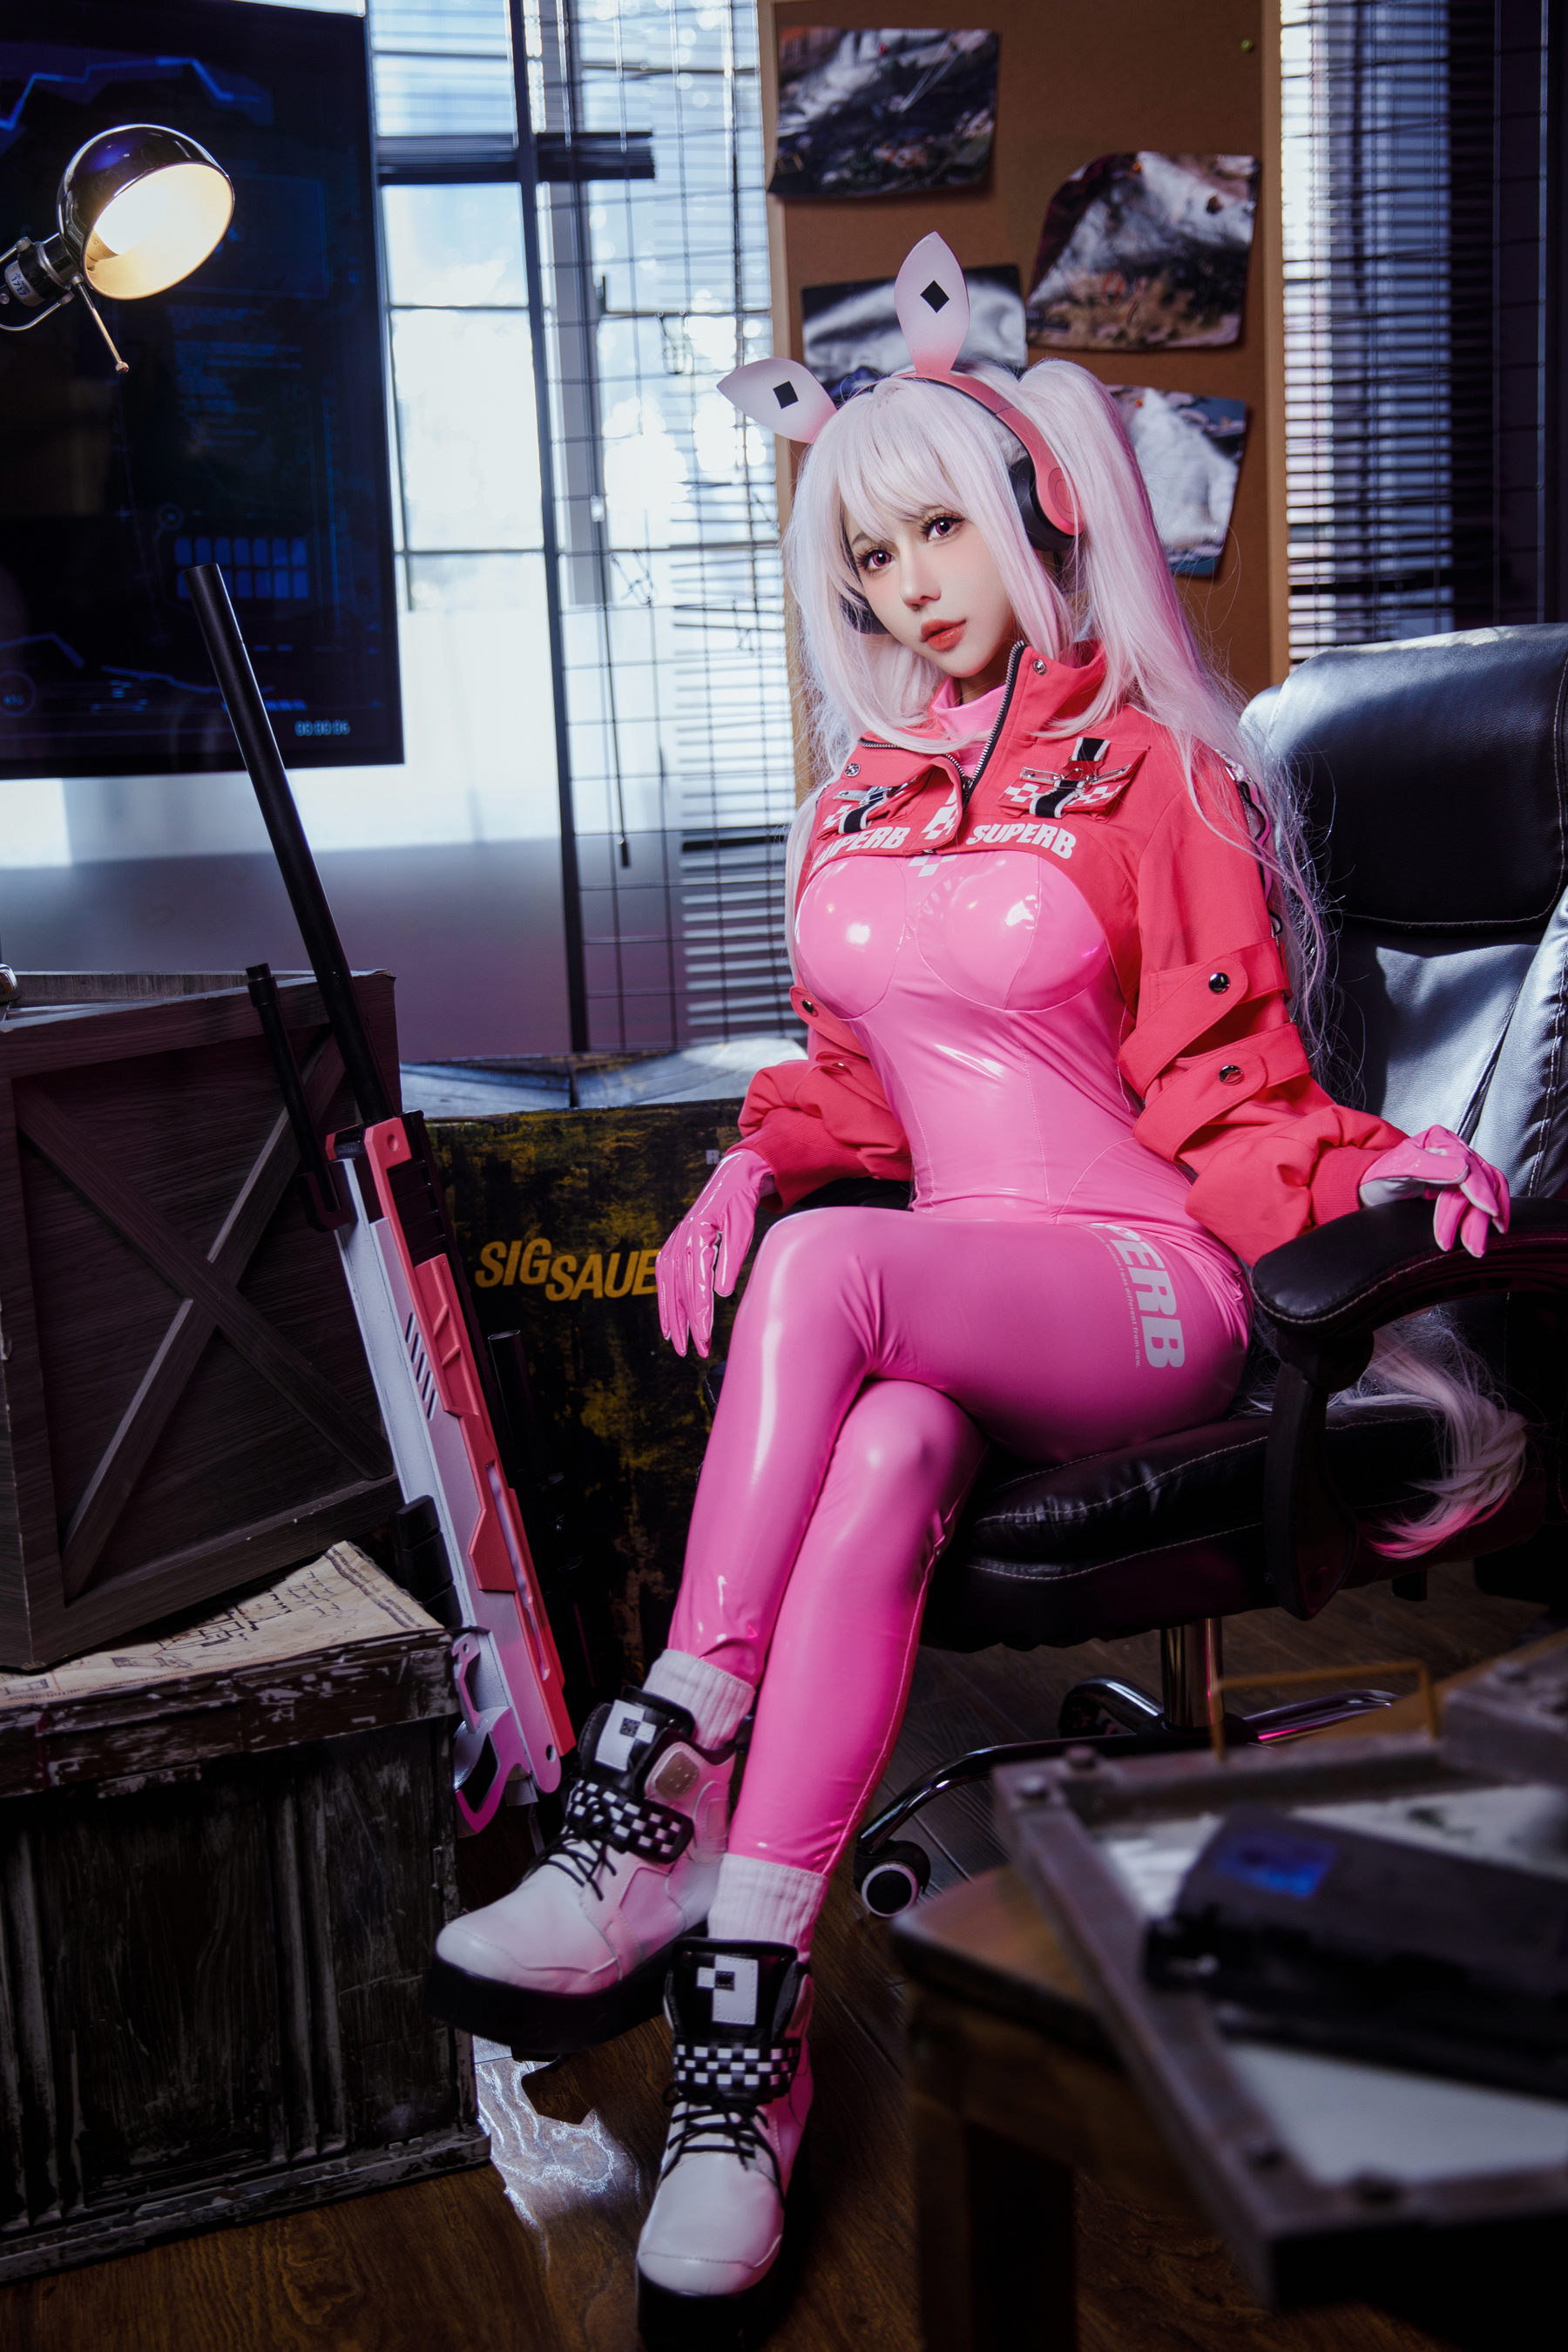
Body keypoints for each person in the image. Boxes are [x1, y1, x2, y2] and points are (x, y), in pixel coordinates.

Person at [428, 238, 1517, 2344]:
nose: (913, 586)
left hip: (1141, 1286)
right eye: (871, 555)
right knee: (883, 1452)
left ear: (1030, 517)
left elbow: (1225, 1079)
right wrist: (750, 1162)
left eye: (941, 530)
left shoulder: (1160, 772)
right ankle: (748, 2033)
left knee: (841, 1275)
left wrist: (1373, 1164)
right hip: (950, 1314)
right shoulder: (863, 792)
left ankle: (653, 1778)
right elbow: (860, 1081)